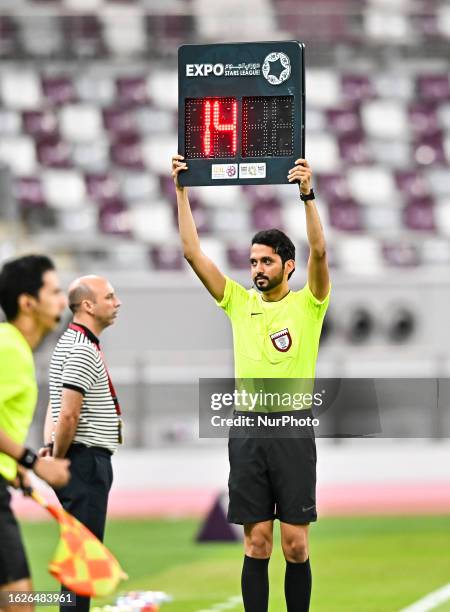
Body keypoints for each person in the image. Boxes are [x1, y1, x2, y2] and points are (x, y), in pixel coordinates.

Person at [172, 154, 330, 612]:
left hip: (293, 430)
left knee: (295, 546)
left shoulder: (309, 304)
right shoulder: (239, 302)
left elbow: (320, 252)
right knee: (256, 542)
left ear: (288, 265)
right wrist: (182, 190)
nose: (257, 268)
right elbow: (192, 253)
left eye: (266, 261)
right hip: (248, 431)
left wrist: (307, 195)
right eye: (253, 261)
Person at [42, 275, 122, 612]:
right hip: (85, 462)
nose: (117, 303)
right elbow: (69, 417)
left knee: (79, 563)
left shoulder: (70, 343)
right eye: (110, 296)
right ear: (88, 305)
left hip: (79, 460)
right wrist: (57, 458)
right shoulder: (82, 350)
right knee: (82, 569)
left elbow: (55, 405)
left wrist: (51, 448)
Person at [0, 255, 70, 611]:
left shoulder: (11, 346)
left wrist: (16, 470)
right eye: (55, 291)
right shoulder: (9, 347)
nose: (63, 300)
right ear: (27, 303)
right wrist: (33, 461)